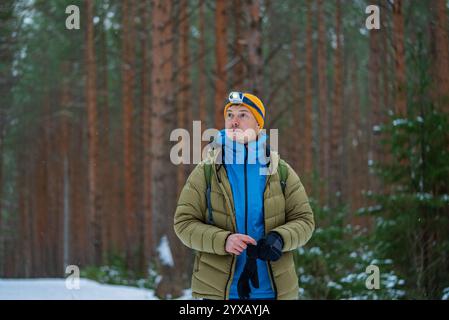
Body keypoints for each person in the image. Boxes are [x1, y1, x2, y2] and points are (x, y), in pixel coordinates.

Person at [173, 91, 315, 300]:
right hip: (220, 293)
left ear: (258, 125)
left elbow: (305, 221)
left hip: (273, 292)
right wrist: (223, 240)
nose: (234, 121)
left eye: (243, 115)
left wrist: (280, 238)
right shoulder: (206, 171)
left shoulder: (280, 171)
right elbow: (183, 224)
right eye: (229, 115)